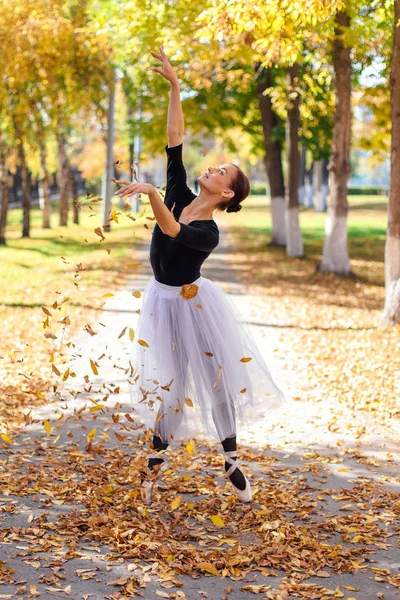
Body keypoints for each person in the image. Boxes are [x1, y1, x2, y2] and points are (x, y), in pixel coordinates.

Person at [115, 47, 287, 506]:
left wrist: (149, 191)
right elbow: (176, 138)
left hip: (196, 306)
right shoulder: (179, 189)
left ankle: (231, 460)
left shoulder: (208, 232)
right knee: (170, 387)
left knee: (216, 380)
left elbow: (172, 229)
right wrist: (175, 86)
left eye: (221, 171)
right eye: (213, 166)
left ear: (226, 192)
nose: (211, 168)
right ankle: (153, 471)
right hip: (162, 300)